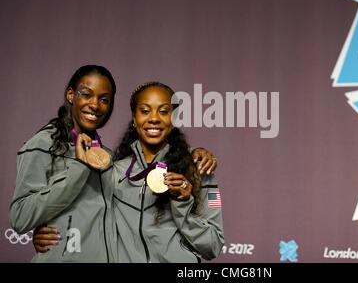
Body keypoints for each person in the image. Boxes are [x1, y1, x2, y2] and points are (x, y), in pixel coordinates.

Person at [10, 66, 217, 262]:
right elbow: (22, 216)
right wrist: (54, 234)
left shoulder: (109, 160)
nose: (95, 105)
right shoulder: (46, 146)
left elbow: (213, 241)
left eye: (104, 99)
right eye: (145, 110)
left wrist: (184, 193)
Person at [110, 81, 224, 262]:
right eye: (145, 111)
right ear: (134, 118)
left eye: (163, 111)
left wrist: (183, 202)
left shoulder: (200, 169)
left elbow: (214, 245)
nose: (154, 118)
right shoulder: (114, 172)